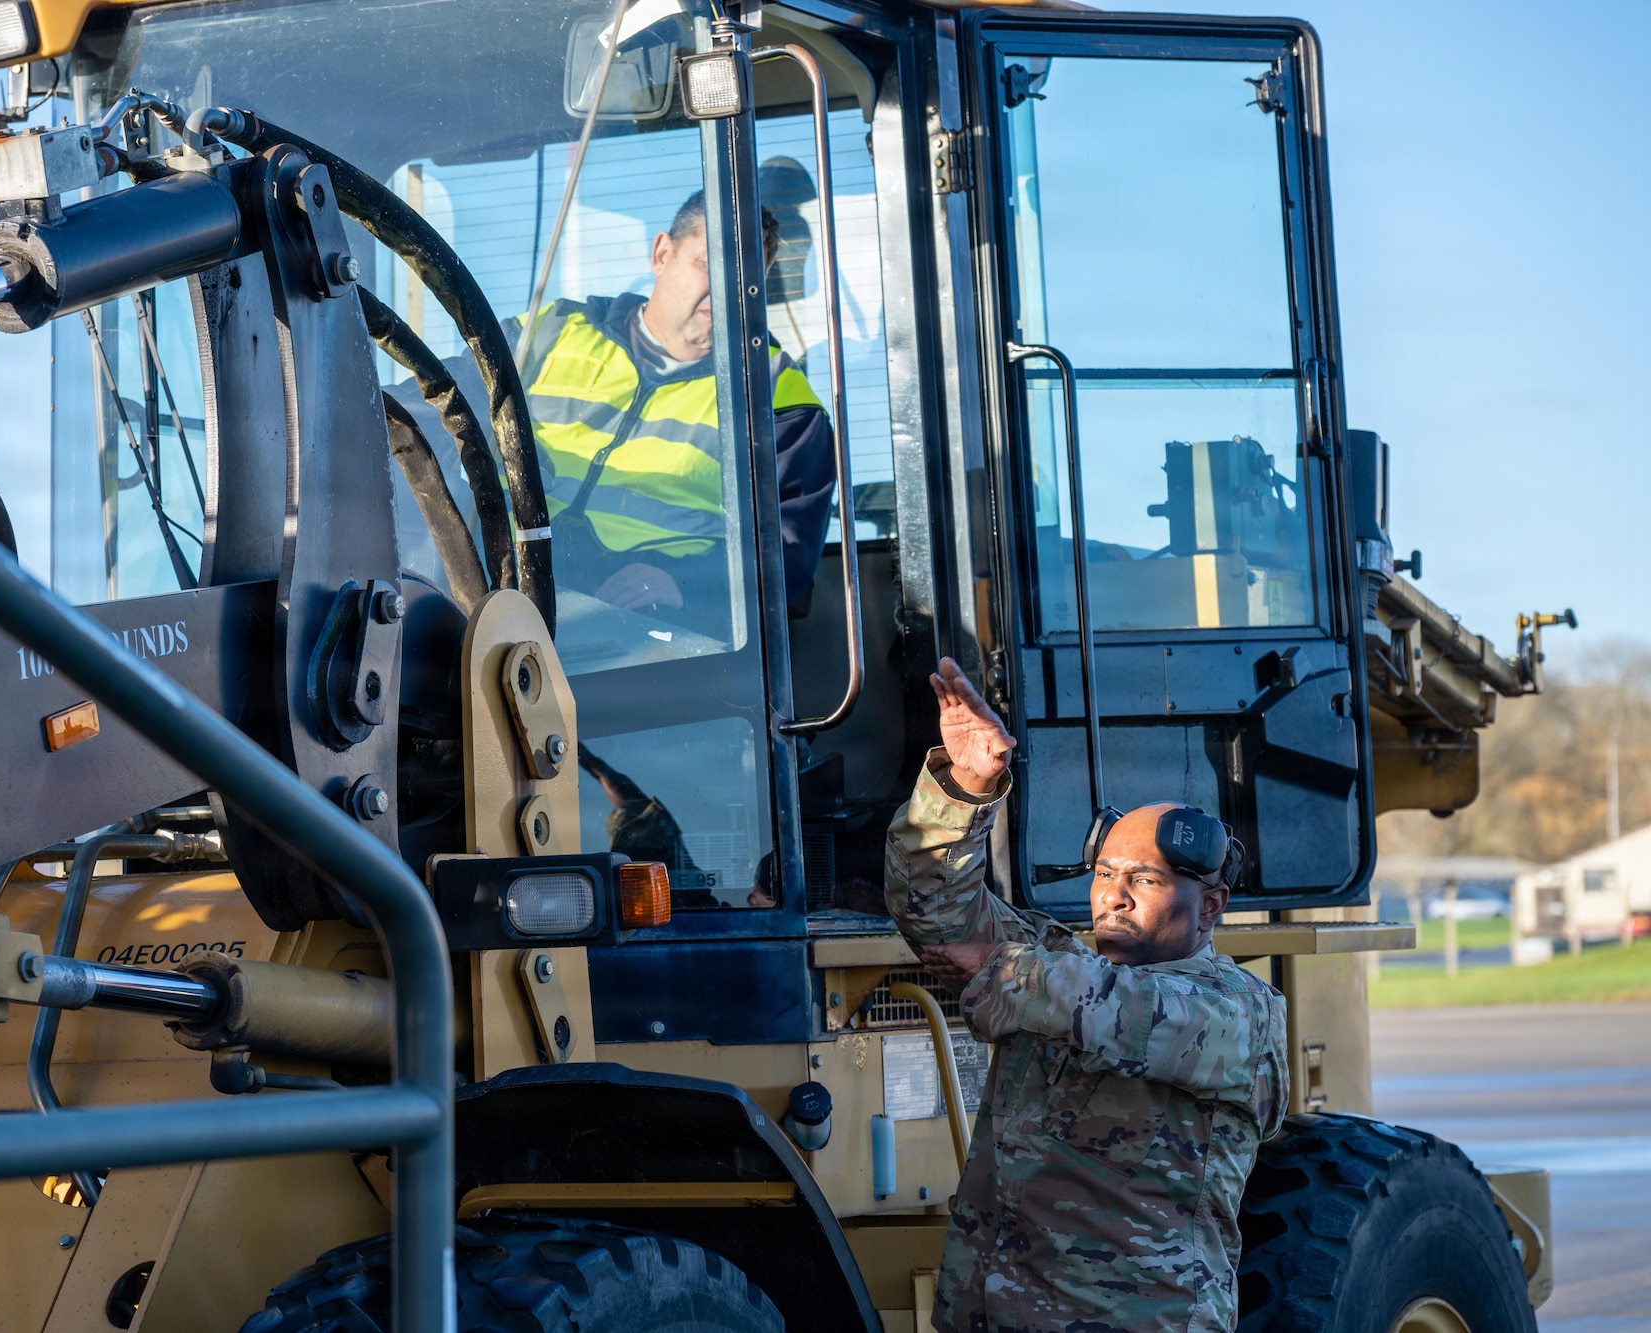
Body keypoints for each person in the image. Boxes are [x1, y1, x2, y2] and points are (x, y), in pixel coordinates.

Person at [886, 657, 1288, 1333]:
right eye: (1104, 872)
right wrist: (966, 787)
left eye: (1148, 880)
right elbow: (932, 909)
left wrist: (1005, 967)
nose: (1114, 894)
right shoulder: (1058, 965)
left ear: (1211, 906)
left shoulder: (1237, 1013)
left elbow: (1121, 1011)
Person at [515, 191, 835, 630]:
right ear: (662, 254)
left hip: (653, 634)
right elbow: (430, 407)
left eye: (747, 279)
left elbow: (787, 550)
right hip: (500, 591)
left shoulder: (776, 394)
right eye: (709, 266)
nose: (725, 290)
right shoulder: (547, 333)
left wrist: (685, 582)